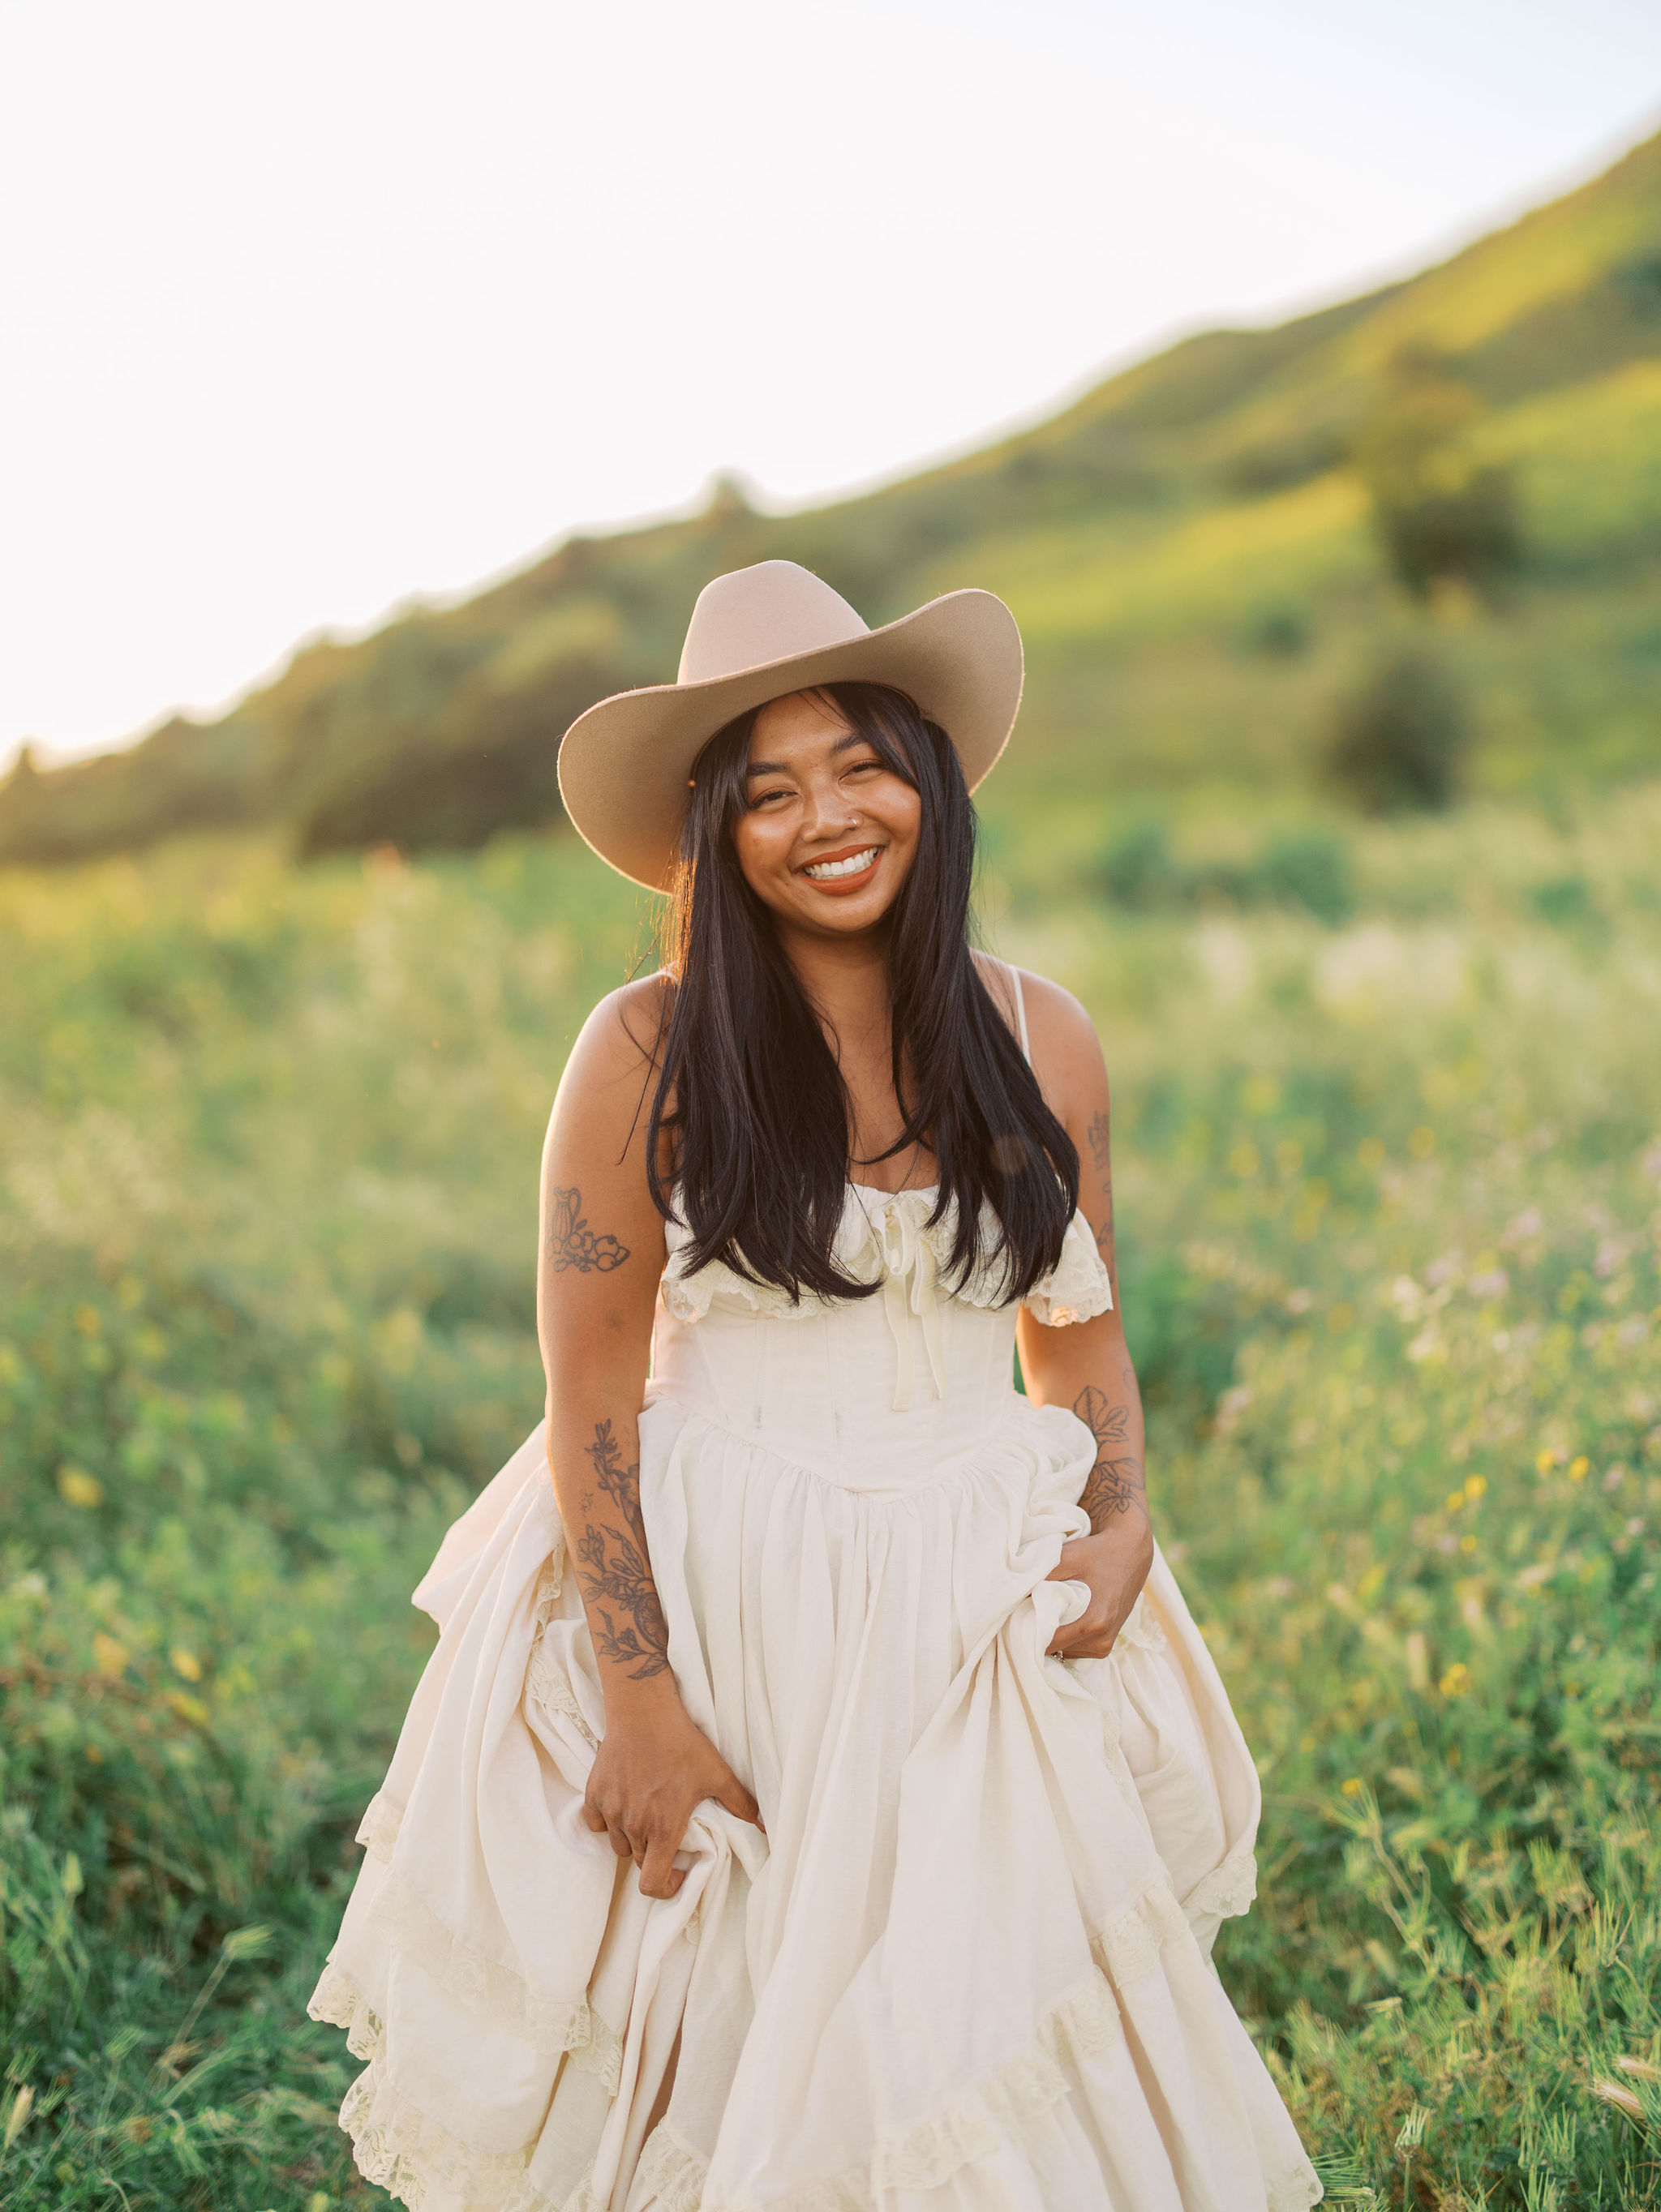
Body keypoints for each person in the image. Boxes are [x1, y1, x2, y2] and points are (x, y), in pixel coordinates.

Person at [309, 561, 1321, 2211]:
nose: (824, 815)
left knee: (988, 2006)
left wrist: (1123, 1520)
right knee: (740, 2023)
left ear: (927, 777)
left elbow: (1075, 1335)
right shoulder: (644, 1052)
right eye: (768, 790)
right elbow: (590, 1396)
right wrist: (640, 1697)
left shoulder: (1039, 1034)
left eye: (859, 762)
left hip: (973, 1583)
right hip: (734, 1583)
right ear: (717, 834)